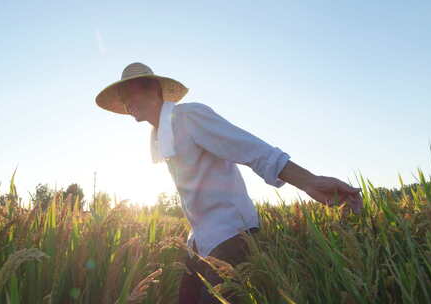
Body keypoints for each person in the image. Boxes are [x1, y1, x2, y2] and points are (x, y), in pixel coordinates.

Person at [95, 62, 363, 303]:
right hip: (200, 241)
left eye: (130, 91)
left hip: (230, 236)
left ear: (153, 89)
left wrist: (309, 181)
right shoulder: (159, 136)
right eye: (122, 96)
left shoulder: (189, 117)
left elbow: (252, 149)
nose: (126, 101)